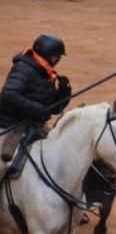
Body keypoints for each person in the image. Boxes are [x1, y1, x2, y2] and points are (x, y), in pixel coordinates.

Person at [1, 33, 70, 178]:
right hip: (11, 125)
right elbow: (9, 94)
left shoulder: (45, 72)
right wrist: (37, 110)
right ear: (48, 54)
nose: (57, 60)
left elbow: (53, 109)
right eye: (56, 56)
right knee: (3, 166)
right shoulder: (24, 68)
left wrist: (64, 92)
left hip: (33, 126)